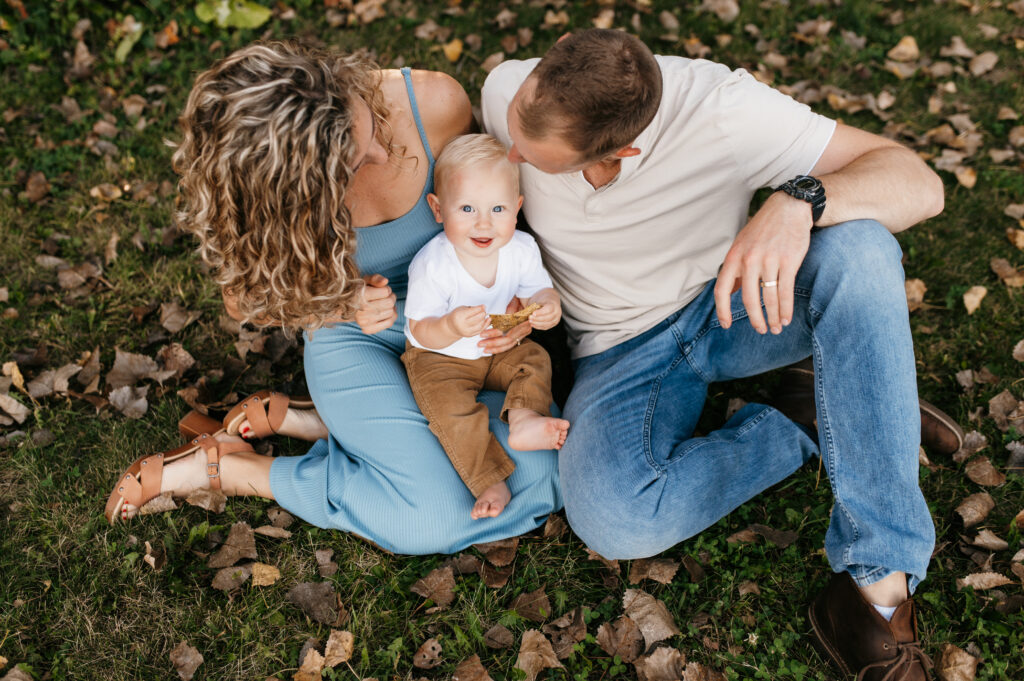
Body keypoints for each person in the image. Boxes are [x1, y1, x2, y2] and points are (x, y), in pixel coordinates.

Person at [482, 29, 959, 681]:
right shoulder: (507, 89)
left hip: (733, 303)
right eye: (512, 132)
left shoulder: (727, 112)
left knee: (863, 251)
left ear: (620, 154)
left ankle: (878, 588)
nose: (510, 152)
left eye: (533, 158)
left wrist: (801, 200)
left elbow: (918, 181)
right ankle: (809, 416)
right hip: (616, 349)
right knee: (618, 519)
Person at [104, 41, 561, 554]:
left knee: (546, 468)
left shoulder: (433, 104)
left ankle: (319, 423)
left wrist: (514, 304)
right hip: (356, 338)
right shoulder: (270, 198)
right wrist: (342, 304)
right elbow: (243, 303)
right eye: (354, 162)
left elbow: (489, 205)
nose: (382, 156)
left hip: (462, 326)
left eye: (370, 129)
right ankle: (240, 469)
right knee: (435, 517)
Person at [401, 133, 569, 520]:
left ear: (517, 209)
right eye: (466, 209)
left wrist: (545, 307)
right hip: (440, 358)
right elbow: (420, 330)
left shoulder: (521, 249)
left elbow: (539, 290)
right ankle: (488, 478)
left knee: (534, 360)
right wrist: (450, 325)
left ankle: (525, 420)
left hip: (499, 349)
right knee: (451, 413)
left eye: (497, 208)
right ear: (438, 209)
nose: (484, 223)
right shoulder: (434, 264)